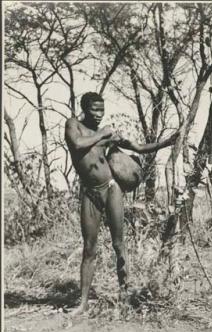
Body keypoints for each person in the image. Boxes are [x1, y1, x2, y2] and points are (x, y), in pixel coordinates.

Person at [65, 92, 176, 316]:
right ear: (85, 109)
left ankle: (125, 295)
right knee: (89, 248)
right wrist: (102, 134)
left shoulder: (104, 134)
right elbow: (77, 145)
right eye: (95, 110)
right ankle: (83, 303)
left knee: (119, 243)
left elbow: (139, 147)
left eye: (101, 110)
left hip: (112, 188)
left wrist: (167, 142)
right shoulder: (73, 125)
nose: (99, 115)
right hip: (90, 193)